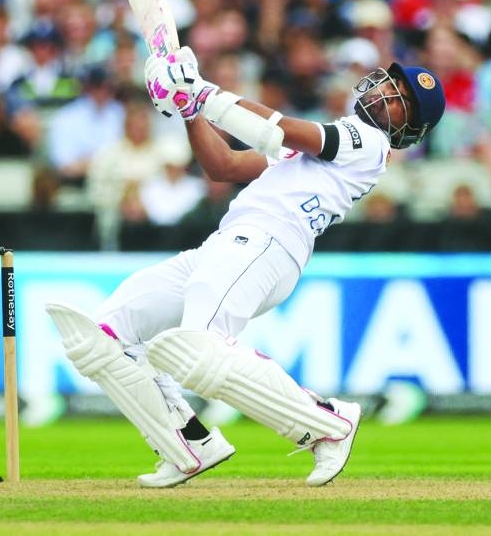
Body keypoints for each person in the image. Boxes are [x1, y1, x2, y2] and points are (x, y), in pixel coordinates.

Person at [46, 46, 445, 488]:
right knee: (102, 338)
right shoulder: (334, 143)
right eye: (391, 84)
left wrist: (201, 93)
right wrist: (187, 109)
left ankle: (328, 421)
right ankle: (187, 444)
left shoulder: (370, 144)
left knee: (200, 348)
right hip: (228, 245)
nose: (384, 91)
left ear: (408, 128)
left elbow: (282, 130)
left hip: (267, 242)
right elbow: (224, 165)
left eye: (397, 97)